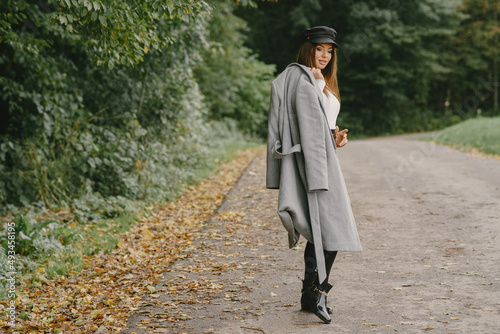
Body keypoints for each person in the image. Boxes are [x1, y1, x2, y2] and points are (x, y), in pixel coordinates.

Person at [266, 26, 362, 324]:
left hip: (325, 160)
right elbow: (304, 129)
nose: (324, 55)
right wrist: (319, 86)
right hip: (314, 166)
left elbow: (319, 126)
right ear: (307, 48)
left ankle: (311, 296)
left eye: (329, 50)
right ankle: (316, 293)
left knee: (325, 229)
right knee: (329, 230)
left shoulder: (320, 80)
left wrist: (335, 140)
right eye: (319, 49)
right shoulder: (304, 80)